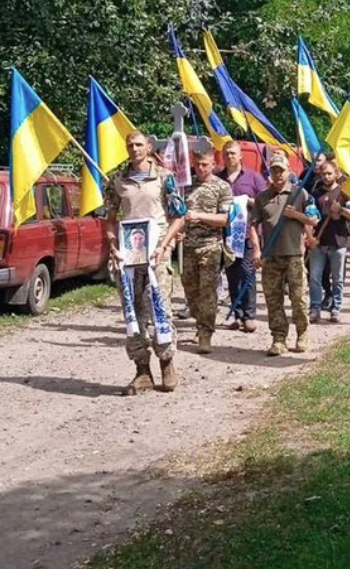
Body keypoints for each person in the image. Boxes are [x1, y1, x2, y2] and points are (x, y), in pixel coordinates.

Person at [104, 130, 186, 395]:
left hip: (156, 257)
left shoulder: (164, 178)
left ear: (149, 147)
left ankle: (167, 363)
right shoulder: (118, 180)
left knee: (160, 309)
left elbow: (179, 217)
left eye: (139, 144)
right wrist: (113, 246)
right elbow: (109, 218)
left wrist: (164, 245)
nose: (134, 149)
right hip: (128, 260)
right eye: (130, 145)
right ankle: (142, 371)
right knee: (133, 312)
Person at [249, 153, 319, 356]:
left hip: (294, 255)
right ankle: (278, 338)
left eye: (282, 170)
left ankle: (302, 333)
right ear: (270, 172)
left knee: (298, 298)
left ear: (289, 171)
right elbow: (253, 225)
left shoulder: (299, 194)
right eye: (274, 170)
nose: (278, 174)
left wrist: (295, 214)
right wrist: (256, 250)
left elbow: (313, 220)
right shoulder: (262, 198)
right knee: (273, 299)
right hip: (271, 256)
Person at [180, 150, 233, 354]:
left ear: (213, 165)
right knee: (190, 291)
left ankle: (205, 333)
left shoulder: (222, 187)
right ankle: (199, 320)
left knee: (208, 292)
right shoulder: (186, 186)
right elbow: (177, 214)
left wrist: (199, 216)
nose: (201, 169)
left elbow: (225, 219)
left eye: (205, 165)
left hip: (211, 246)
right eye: (198, 165)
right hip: (188, 247)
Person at [216, 140, 267, 333]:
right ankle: (236, 314)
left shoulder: (254, 178)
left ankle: (249, 315)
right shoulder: (217, 178)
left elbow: (265, 204)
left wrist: (249, 202)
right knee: (231, 275)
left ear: (240, 156)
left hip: (246, 235)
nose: (229, 156)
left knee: (247, 275)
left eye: (233, 153)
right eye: (226, 153)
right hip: (225, 236)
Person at [306, 160, 350, 324]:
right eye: (323, 174)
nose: (326, 176)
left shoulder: (344, 193)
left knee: (337, 279)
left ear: (336, 174)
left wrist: (341, 210)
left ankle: (336, 308)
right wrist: (309, 237)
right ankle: (315, 309)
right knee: (314, 277)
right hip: (319, 242)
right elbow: (309, 217)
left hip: (338, 241)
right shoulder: (315, 194)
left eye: (329, 173)